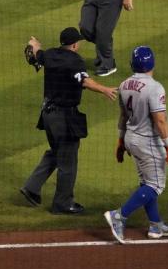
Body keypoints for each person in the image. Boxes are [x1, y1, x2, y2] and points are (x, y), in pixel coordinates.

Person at [20, 27, 118, 214]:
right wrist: (104, 89)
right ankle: (63, 203)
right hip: (63, 117)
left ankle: (31, 188)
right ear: (74, 44)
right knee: (68, 160)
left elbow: (36, 54)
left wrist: (34, 44)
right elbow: (85, 81)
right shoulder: (75, 61)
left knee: (57, 152)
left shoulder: (50, 54)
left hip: (47, 115)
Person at [103, 46, 168, 243]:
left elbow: (123, 116)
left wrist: (121, 141)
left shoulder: (124, 84)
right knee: (155, 185)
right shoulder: (155, 88)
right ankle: (119, 216)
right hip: (148, 143)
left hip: (131, 139)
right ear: (152, 63)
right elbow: (160, 120)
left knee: (147, 182)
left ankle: (155, 224)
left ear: (132, 64)